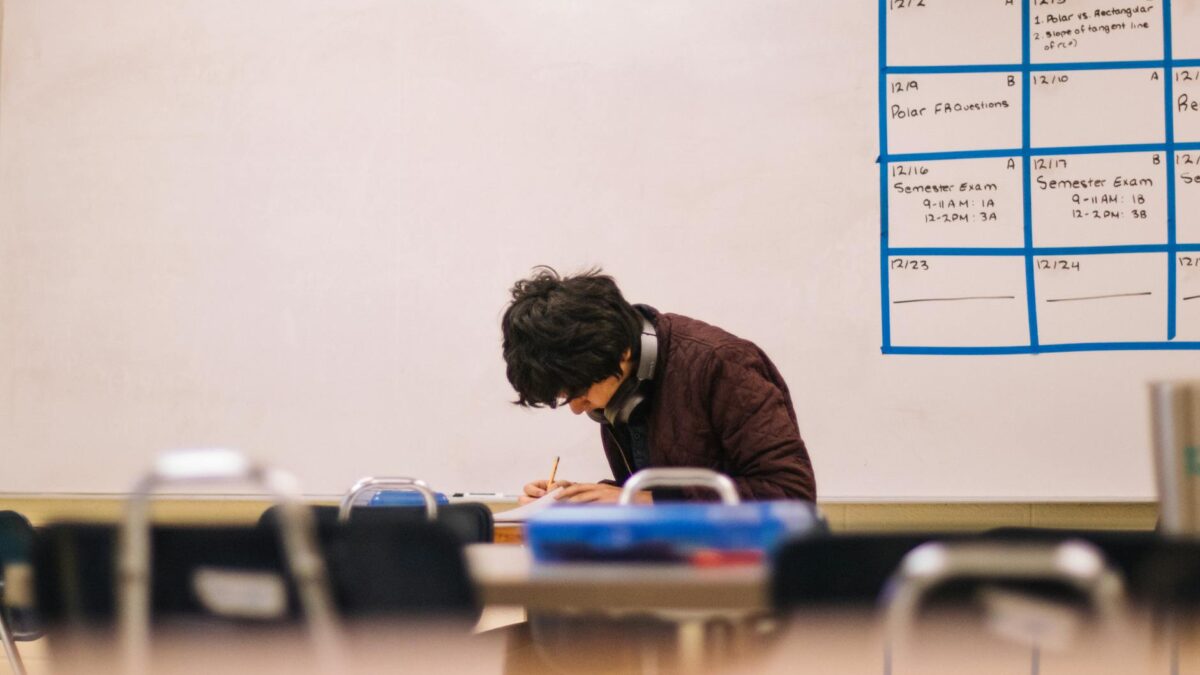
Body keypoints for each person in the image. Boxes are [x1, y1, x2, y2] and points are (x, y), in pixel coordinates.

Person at [501, 267, 816, 504]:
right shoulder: (623, 387)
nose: (577, 408)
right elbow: (663, 488)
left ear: (621, 352)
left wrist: (641, 502)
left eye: (580, 392)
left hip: (742, 577)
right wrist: (580, 499)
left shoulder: (722, 363)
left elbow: (790, 494)